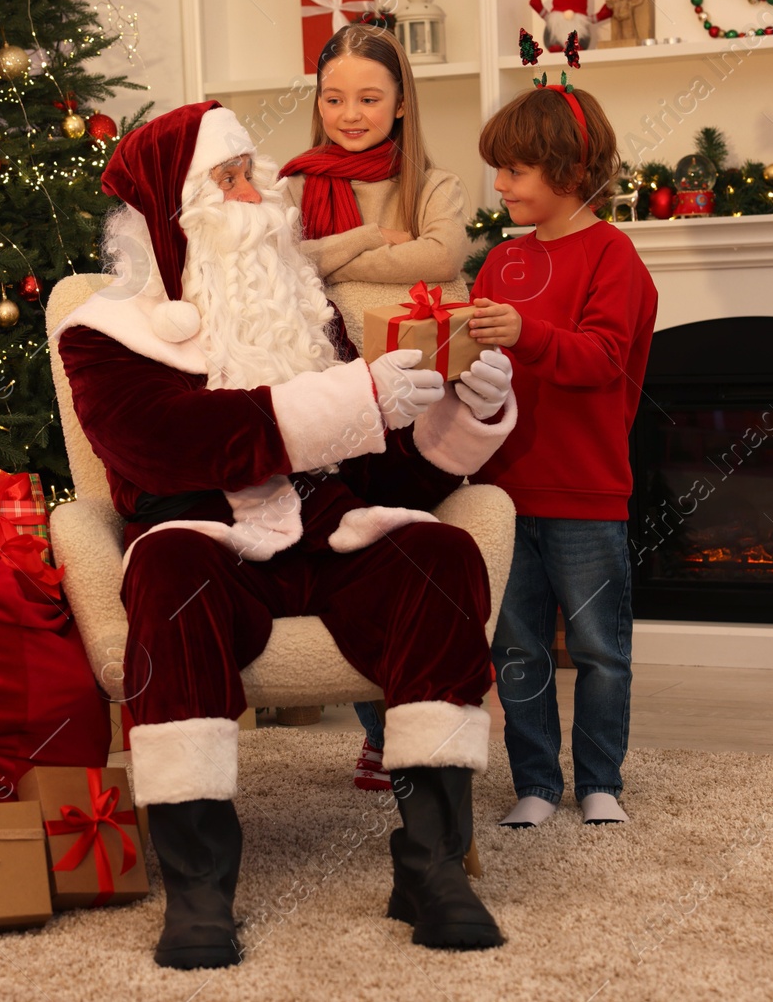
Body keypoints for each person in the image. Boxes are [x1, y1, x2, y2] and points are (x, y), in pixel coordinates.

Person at [54, 101, 519, 968]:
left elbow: (379, 470)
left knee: (440, 553)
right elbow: (163, 449)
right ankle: (199, 886)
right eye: (228, 179)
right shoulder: (103, 334)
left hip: (329, 537)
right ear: (174, 209)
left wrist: (463, 410)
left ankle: (431, 864)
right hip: (206, 539)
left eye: (251, 172)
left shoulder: (309, 312)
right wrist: (354, 403)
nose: (257, 192)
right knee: (169, 572)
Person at [278, 23, 475, 791]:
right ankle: (376, 726)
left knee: (406, 537)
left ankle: (417, 709)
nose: (349, 112)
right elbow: (283, 265)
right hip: (328, 391)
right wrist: (361, 236)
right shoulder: (295, 184)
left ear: (400, 104)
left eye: (369, 97)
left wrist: (331, 257)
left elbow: (443, 254)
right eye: (334, 98)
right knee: (349, 542)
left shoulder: (433, 182)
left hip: (418, 387)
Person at [466, 82, 658, 828]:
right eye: (500, 169)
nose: (501, 184)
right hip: (504, 496)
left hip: (586, 494)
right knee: (517, 651)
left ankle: (601, 780)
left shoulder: (614, 255)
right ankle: (538, 783)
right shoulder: (501, 263)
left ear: (570, 172)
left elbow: (603, 358)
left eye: (514, 170)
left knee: (599, 650)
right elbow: (481, 370)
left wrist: (525, 334)